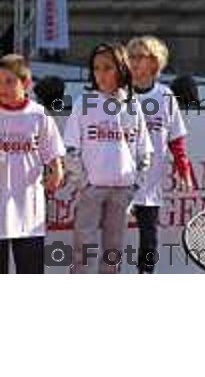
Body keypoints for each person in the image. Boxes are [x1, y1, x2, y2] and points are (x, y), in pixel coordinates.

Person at [63, 43, 154, 273]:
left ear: (121, 69)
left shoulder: (133, 106)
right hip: (91, 191)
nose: (100, 74)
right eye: (96, 68)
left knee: (113, 253)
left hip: (122, 191)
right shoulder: (84, 103)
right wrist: (83, 183)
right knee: (83, 251)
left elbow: (145, 151)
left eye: (107, 68)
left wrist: (134, 184)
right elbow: (71, 148)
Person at [126, 36, 193, 273]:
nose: (133, 62)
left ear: (154, 63)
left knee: (149, 238)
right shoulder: (118, 95)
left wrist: (184, 170)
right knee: (109, 235)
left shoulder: (165, 96)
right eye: (130, 57)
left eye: (139, 57)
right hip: (118, 179)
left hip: (150, 181)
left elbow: (176, 138)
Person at [0, 54, 65, 273]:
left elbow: (52, 152)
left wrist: (56, 171)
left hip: (28, 210)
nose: (3, 87)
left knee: (30, 272)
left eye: (9, 81)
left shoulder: (38, 115)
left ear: (26, 83)